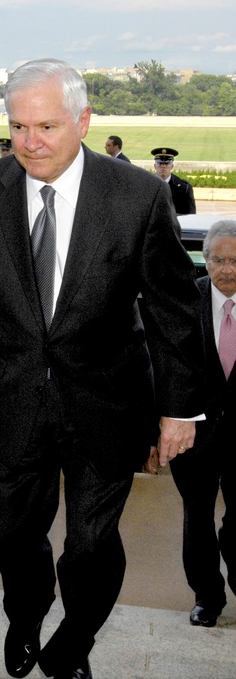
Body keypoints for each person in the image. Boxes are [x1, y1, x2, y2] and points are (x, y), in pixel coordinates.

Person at [0, 58, 204, 679]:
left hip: (108, 404)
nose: (31, 142)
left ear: (83, 122)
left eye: (48, 127)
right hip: (10, 400)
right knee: (7, 535)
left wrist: (180, 408)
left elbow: (172, 308)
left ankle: (77, 637)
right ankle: (25, 616)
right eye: (19, 126)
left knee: (88, 545)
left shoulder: (137, 195)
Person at [167, 218, 236, 628]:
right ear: (204, 259)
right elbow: (164, 371)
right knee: (197, 518)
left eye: (234, 260)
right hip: (194, 438)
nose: (226, 269)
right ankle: (207, 597)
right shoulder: (182, 303)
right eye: (217, 259)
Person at [152, 147, 196, 215]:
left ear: (172, 166)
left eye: (166, 164)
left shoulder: (184, 188)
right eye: (160, 163)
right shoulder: (147, 185)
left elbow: (191, 215)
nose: (163, 166)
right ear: (155, 166)